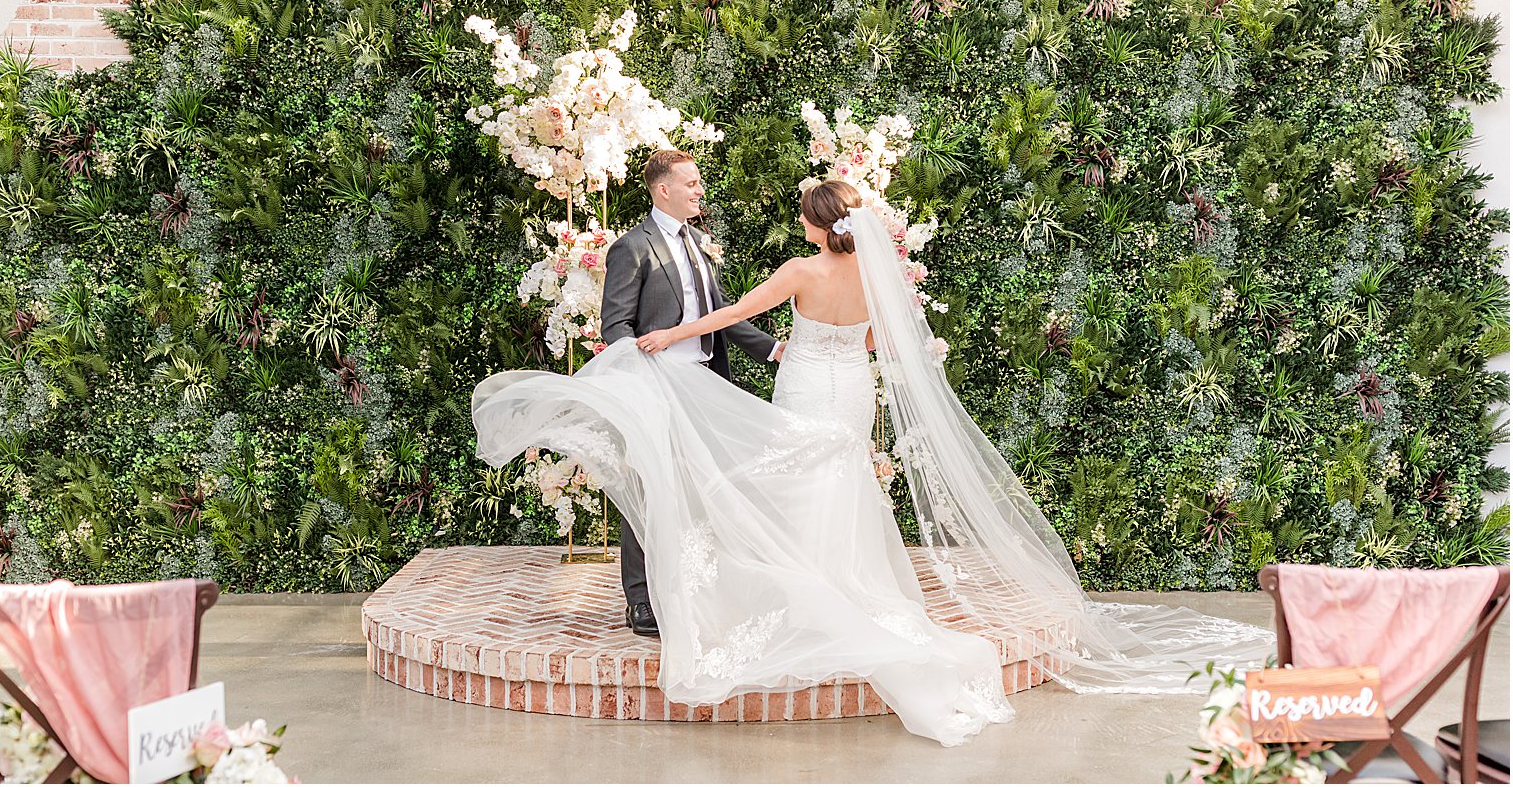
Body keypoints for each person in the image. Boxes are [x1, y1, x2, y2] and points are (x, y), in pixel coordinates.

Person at [472, 180, 1272, 746]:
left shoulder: (802, 270)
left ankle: (805, 598)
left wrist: (667, 337)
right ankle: (848, 587)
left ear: (817, 225)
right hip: (851, 387)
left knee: (791, 486)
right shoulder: (869, 277)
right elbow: (890, 343)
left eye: (801, 215)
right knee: (842, 483)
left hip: (803, 390)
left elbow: (737, 312)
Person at [598, 149, 782, 638]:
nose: (700, 190)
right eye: (691, 183)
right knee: (649, 486)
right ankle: (641, 600)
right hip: (656, 386)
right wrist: (642, 377)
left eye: (699, 182)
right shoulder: (631, 247)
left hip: (704, 383)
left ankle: (693, 588)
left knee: (701, 488)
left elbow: (718, 315)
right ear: (664, 190)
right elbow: (615, 323)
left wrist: (773, 350)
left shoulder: (700, 243)